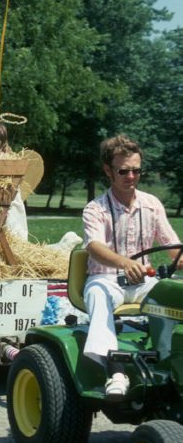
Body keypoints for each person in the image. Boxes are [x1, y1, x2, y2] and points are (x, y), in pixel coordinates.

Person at [82, 135, 182, 398]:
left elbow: (172, 245)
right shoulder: (95, 208)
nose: (131, 176)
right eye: (123, 171)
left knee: (170, 293)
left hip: (143, 282)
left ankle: (166, 361)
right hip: (105, 279)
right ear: (108, 171)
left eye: (136, 170)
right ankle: (115, 372)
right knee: (97, 296)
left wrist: (179, 258)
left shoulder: (152, 204)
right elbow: (94, 246)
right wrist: (125, 263)